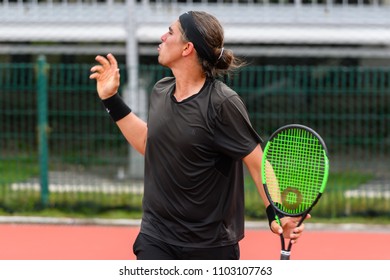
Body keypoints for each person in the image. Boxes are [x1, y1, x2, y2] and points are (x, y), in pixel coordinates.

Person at [89, 10, 308, 260]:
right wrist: (111, 99)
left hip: (210, 245)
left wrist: (277, 212)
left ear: (187, 48)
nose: (162, 37)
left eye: (170, 32)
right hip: (156, 236)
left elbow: (258, 164)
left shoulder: (222, 102)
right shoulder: (160, 91)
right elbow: (150, 144)